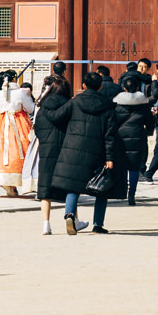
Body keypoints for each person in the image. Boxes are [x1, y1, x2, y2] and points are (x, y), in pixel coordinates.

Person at [52, 69, 121, 234]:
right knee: (101, 188)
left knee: (73, 186)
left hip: (73, 148)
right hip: (97, 151)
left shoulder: (74, 102)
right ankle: (98, 224)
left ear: (83, 85)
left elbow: (57, 117)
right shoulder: (107, 106)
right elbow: (110, 135)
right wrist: (110, 158)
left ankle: (69, 214)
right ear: (99, 87)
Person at [32, 70, 74, 234]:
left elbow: (37, 130)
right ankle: (73, 217)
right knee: (71, 184)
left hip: (46, 148)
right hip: (66, 148)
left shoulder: (42, 109)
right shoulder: (70, 106)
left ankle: (46, 224)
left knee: (45, 188)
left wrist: (45, 139)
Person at [0, 69, 34, 197]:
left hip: (2, 122)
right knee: (24, 149)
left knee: (1, 151)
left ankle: (6, 181)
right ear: (15, 79)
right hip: (18, 122)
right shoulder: (20, 93)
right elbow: (30, 108)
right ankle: (27, 179)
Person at [111, 71, 154, 202]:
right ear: (137, 88)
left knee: (123, 166)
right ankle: (132, 193)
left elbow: (112, 122)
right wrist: (148, 132)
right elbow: (150, 122)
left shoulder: (117, 104)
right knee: (134, 167)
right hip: (138, 136)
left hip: (120, 137)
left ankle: (123, 190)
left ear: (124, 88)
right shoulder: (143, 105)